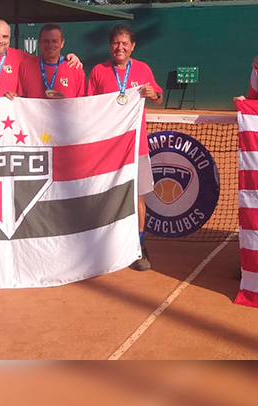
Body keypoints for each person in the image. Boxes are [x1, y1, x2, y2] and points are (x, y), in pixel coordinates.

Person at [87, 24, 163, 271]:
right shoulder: (98, 71)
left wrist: (153, 93)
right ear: (110, 46)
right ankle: (105, 245)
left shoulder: (143, 69)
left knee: (137, 196)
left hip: (136, 147)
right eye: (116, 43)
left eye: (124, 43)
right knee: (106, 195)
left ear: (132, 46)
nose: (120, 47)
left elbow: (158, 97)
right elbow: (89, 106)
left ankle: (139, 246)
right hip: (108, 149)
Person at [13, 23, 85, 99]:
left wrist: (66, 102)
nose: (50, 45)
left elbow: (83, 103)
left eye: (55, 41)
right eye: (46, 41)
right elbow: (21, 100)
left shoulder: (75, 68)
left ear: (62, 43)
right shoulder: (26, 66)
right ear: (40, 43)